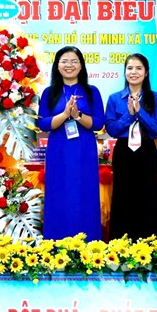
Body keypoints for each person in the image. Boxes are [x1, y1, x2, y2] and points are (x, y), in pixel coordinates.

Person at [38, 46, 105, 240]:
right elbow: (43, 123)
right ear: (57, 66)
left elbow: (98, 124)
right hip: (58, 150)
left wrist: (77, 115)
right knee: (58, 193)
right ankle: (56, 243)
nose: (69, 65)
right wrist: (65, 114)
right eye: (64, 61)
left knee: (85, 193)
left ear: (81, 66)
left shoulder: (92, 91)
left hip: (84, 150)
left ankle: (88, 242)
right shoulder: (49, 92)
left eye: (74, 61)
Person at [105, 53, 157, 240]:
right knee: (122, 197)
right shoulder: (115, 98)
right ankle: (120, 244)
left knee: (147, 197)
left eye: (139, 68)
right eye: (130, 68)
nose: (134, 72)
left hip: (146, 151)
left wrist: (140, 112)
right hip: (123, 151)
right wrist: (129, 115)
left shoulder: (155, 99)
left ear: (146, 72)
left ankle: (149, 243)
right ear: (124, 72)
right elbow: (112, 129)